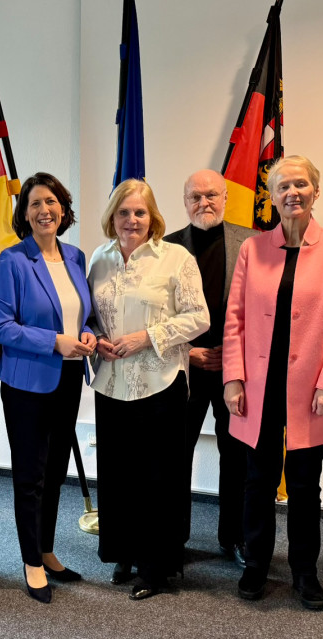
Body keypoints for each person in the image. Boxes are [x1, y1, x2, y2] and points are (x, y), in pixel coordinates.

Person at [222, 155, 323, 611]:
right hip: (257, 389)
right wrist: (233, 378)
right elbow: (235, 319)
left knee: (304, 484)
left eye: (301, 184)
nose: (292, 193)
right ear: (272, 196)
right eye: (283, 186)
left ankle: (305, 572)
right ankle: (255, 564)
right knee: (256, 480)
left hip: (310, 390)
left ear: (316, 192)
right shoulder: (252, 249)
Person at [88, 178, 209, 601]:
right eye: (124, 212)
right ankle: (124, 552)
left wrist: (147, 336)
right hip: (110, 382)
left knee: (159, 477)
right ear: (112, 217)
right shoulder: (99, 259)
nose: (132, 220)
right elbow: (89, 316)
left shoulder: (176, 258)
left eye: (140, 212)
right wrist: (94, 337)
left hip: (160, 382)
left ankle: (156, 566)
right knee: (119, 475)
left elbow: (199, 318)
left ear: (152, 216)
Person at [0, 173, 96, 604]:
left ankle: (47, 549)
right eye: (35, 204)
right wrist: (54, 342)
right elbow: (0, 326)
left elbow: (80, 314)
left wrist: (86, 333)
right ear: (24, 213)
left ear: (63, 210)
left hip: (69, 376)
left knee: (55, 471)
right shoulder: (12, 261)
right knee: (30, 474)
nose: (44, 210)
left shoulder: (76, 257)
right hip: (27, 382)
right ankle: (31, 560)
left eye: (51, 202)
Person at [163, 169, 257, 564]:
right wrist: (189, 351)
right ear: (185, 203)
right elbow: (158, 314)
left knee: (236, 456)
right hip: (183, 368)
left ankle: (232, 536)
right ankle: (172, 538)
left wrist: (234, 354)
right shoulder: (165, 248)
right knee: (173, 455)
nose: (204, 203)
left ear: (226, 197)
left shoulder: (253, 243)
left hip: (235, 370)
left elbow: (265, 309)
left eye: (211, 196)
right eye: (195, 197)